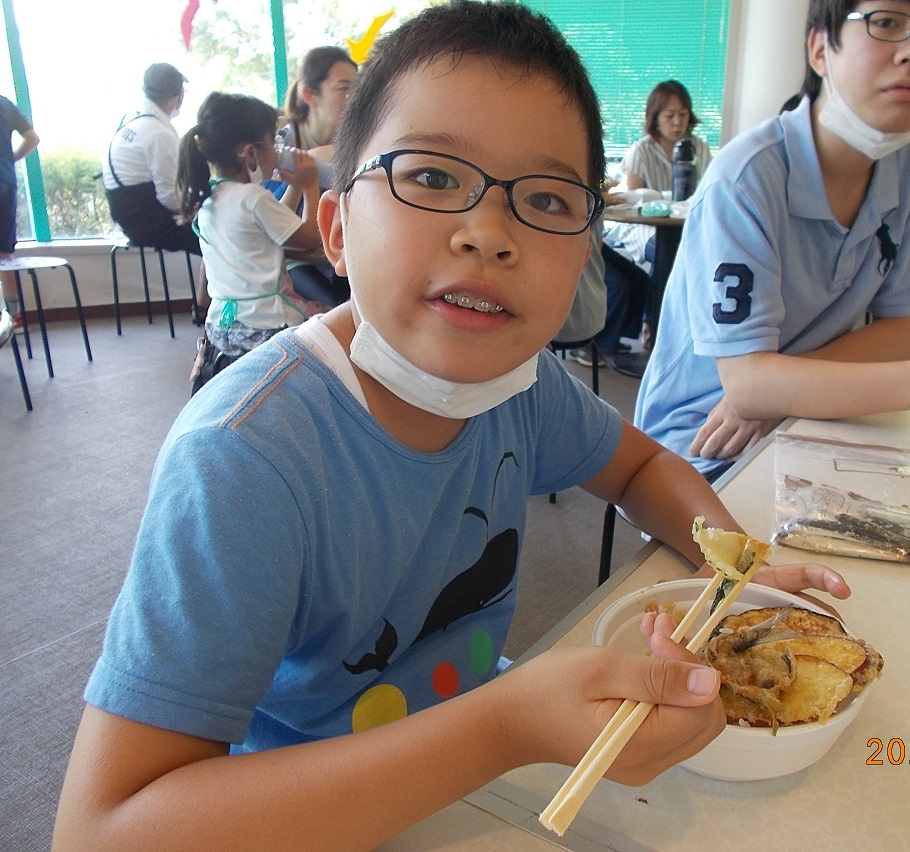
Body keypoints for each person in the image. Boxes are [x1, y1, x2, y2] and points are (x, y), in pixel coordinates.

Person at [53, 3, 849, 847]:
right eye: (432, 177)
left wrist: (732, 567)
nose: (489, 235)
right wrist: (505, 726)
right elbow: (102, 831)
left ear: (586, 255)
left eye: (546, 198)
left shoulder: (520, 386)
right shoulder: (245, 459)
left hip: (473, 771)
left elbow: (640, 467)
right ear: (337, 230)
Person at [634, 0, 910, 481]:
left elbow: (900, 331)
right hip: (700, 450)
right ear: (819, 50)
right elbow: (748, 385)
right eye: (887, 22)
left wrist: (785, 393)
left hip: (807, 423)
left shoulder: (901, 162)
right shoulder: (748, 176)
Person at [176, 92, 324, 393]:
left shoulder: (214, 196)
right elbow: (310, 236)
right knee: (333, 322)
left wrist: (294, 187)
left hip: (223, 327)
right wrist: (310, 186)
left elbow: (276, 226)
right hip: (267, 325)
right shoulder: (253, 198)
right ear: (250, 153)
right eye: (272, 142)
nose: (278, 151)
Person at [582, 80, 712, 370]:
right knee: (662, 254)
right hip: (642, 225)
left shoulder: (698, 148)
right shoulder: (641, 151)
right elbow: (633, 199)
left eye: (683, 114)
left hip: (683, 223)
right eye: (669, 115)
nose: (677, 122)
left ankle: (667, 333)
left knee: (691, 255)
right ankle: (653, 331)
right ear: (655, 117)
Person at [272, 46, 359, 308]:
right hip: (293, 260)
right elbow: (270, 232)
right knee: (338, 307)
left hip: (338, 254)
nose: (355, 98)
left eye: (358, 88)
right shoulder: (279, 146)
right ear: (309, 95)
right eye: (344, 89)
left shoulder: (357, 142)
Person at [102, 63, 201, 257]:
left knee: (213, 233)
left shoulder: (132, 118)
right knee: (218, 236)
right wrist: (196, 209)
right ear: (179, 96)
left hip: (127, 218)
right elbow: (170, 197)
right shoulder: (159, 134)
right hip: (147, 224)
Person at [0, 95, 38, 319]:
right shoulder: (4, 103)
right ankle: (14, 317)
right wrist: (10, 158)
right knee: (4, 253)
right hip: (4, 181)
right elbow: (32, 138)